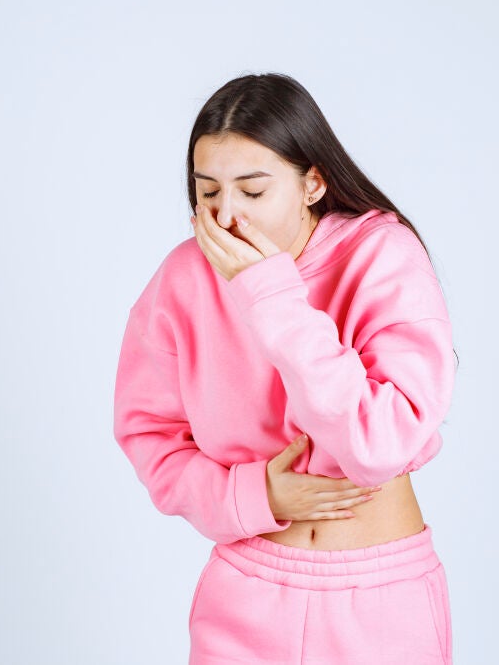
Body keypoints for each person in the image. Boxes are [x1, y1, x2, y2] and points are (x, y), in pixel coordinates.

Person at [113, 72, 459, 664]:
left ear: (312, 184)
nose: (226, 216)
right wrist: (254, 495)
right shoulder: (184, 277)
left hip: (378, 603)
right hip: (247, 594)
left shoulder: (382, 255)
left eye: (252, 191)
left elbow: (379, 445)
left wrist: (268, 291)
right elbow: (150, 436)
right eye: (208, 192)